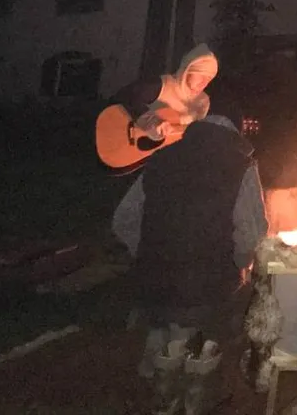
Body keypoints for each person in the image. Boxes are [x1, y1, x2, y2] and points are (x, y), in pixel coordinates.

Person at [112, 98, 268, 415]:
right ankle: (194, 395)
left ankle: (161, 391)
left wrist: (144, 253)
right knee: (225, 310)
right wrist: (241, 267)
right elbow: (252, 233)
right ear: (237, 131)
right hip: (207, 284)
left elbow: (123, 220)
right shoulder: (241, 164)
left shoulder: (161, 157)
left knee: (164, 324)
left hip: (152, 280)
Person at [112, 43, 218, 141]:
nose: (204, 83)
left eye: (209, 78)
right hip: (133, 148)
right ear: (188, 70)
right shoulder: (163, 85)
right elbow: (126, 95)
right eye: (201, 75)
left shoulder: (202, 102)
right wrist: (150, 121)